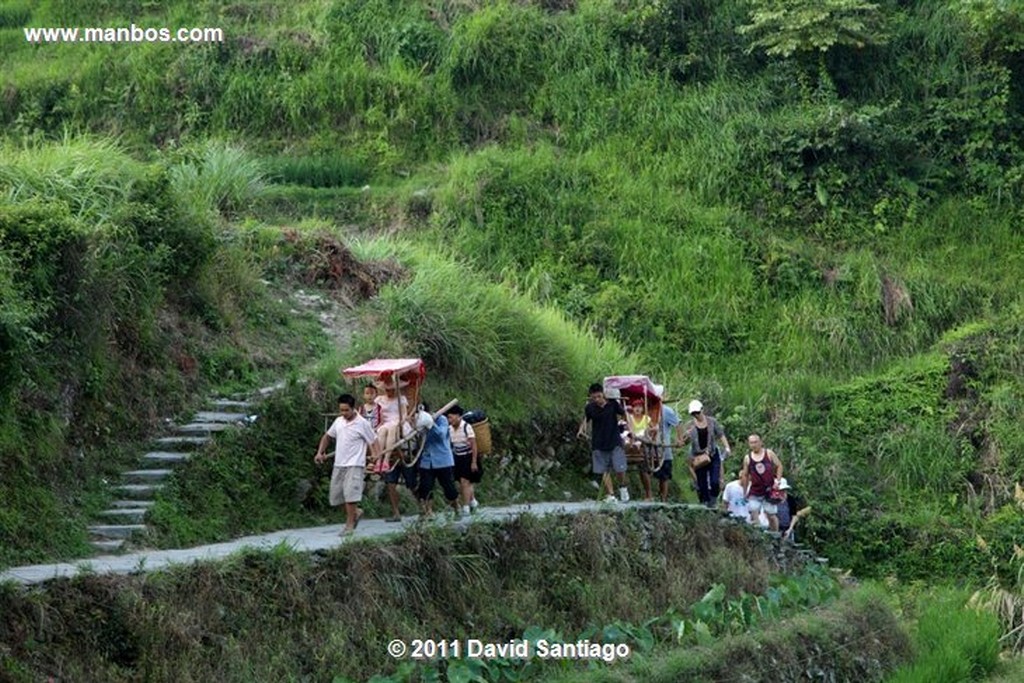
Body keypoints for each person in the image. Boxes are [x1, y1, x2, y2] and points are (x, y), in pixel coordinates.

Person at [314, 394, 380, 536]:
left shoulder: (362, 423)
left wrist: (375, 457)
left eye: (346, 410)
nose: (343, 413)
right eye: (341, 410)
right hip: (339, 463)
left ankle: (349, 526)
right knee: (337, 497)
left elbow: (373, 441)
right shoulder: (338, 421)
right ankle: (356, 512)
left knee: (351, 496)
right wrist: (320, 452)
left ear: (353, 408)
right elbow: (327, 436)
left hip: (355, 464)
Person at [577, 383, 629, 503]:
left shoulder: (613, 404)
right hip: (598, 442)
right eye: (593, 397)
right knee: (603, 469)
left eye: (599, 396)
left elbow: (624, 414)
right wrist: (581, 430)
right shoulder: (589, 407)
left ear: (603, 394)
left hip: (614, 440)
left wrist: (623, 422)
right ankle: (610, 494)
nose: (597, 400)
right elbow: (586, 419)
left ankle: (622, 487)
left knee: (619, 468)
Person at [413, 402, 461, 517]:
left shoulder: (441, 419)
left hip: (442, 460)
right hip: (427, 460)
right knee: (426, 487)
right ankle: (428, 512)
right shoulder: (417, 420)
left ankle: (456, 507)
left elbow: (441, 435)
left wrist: (431, 424)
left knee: (448, 487)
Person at [685, 400, 731, 508]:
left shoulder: (712, 421)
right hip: (698, 456)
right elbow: (685, 441)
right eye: (693, 414)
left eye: (697, 412)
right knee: (702, 483)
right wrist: (687, 435)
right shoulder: (690, 425)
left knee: (715, 480)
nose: (696, 415)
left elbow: (720, 434)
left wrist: (727, 447)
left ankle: (713, 499)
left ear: (702, 410)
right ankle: (705, 504)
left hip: (712, 453)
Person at [739, 434, 783, 532]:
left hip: (769, 489)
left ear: (760, 442)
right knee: (754, 511)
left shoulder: (769, 453)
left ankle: (776, 536)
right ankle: (760, 535)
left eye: (755, 442)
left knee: (771, 515)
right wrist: (744, 492)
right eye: (751, 443)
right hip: (755, 490)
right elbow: (745, 475)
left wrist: (778, 481)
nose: (754, 445)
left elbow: (779, 465)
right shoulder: (747, 458)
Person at [447, 405, 481, 516]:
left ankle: (466, 507)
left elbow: (474, 445)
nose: (449, 420)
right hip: (458, 457)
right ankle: (473, 502)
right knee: (463, 483)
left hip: (468, 456)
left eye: (451, 417)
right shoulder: (450, 429)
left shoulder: (467, 427)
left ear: (458, 416)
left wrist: (474, 462)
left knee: (464, 482)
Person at [626, 400, 656, 501]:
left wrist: (651, 432)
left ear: (643, 408)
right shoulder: (629, 418)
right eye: (635, 407)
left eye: (640, 407)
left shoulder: (646, 419)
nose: (637, 409)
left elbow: (654, 429)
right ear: (632, 409)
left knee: (642, 434)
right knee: (628, 436)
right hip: (632, 440)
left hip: (643, 441)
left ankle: (649, 494)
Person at [654, 403, 682, 502]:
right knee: (655, 473)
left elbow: (677, 423)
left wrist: (679, 439)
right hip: (652, 448)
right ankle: (657, 496)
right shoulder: (648, 408)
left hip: (664, 447)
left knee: (665, 475)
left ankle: (664, 499)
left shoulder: (666, 410)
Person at [373, 380, 409, 455]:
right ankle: (379, 457)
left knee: (392, 429)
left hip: (397, 421)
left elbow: (404, 413)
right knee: (383, 430)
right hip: (384, 422)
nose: (388, 392)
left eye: (391, 390)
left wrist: (401, 421)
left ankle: (386, 458)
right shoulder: (379, 399)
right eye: (387, 390)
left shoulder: (401, 399)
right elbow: (375, 412)